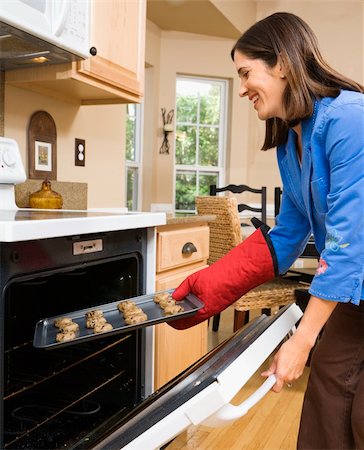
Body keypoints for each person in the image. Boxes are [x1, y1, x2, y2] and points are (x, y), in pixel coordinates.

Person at [170, 11, 364, 450]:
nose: (241, 89)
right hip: (355, 292)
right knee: (329, 397)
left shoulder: (350, 120)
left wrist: (303, 340)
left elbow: (349, 244)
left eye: (245, 73)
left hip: (355, 274)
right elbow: (289, 233)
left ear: (281, 63)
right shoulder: (289, 142)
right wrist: (212, 286)